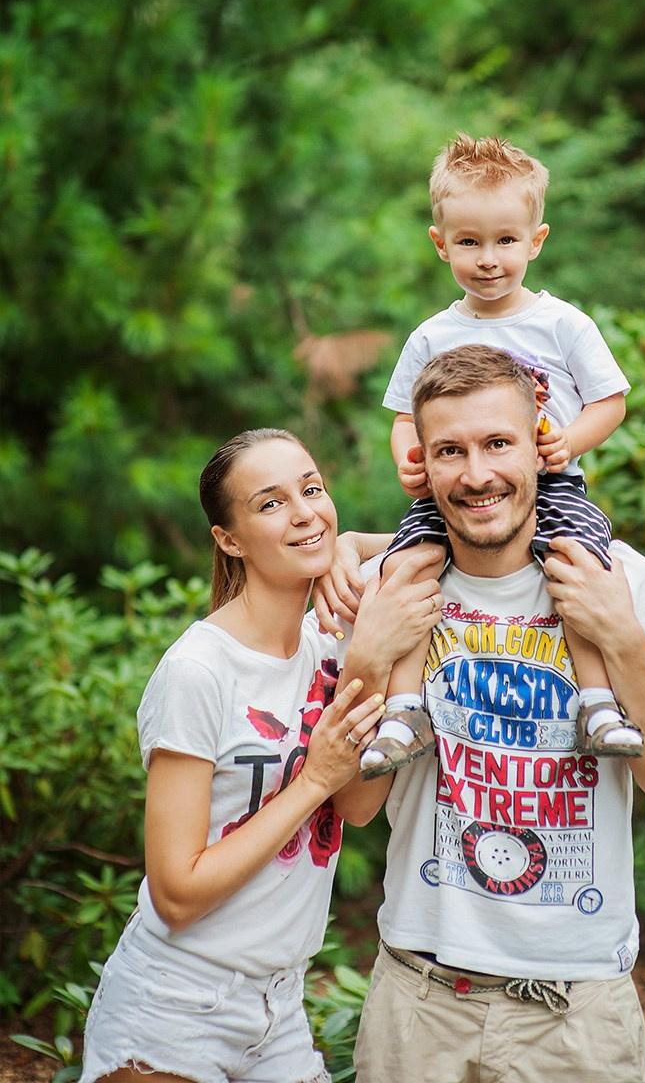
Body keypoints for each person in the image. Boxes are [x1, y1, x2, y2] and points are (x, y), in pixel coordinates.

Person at [335, 345, 645, 1083]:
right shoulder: (387, 588)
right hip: (419, 998)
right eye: (450, 450)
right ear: (421, 462)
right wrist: (368, 656)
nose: (476, 475)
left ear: (540, 445)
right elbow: (355, 806)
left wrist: (622, 639)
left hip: (577, 1011)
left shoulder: (621, 580)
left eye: (498, 443)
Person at [78, 427, 444, 1083]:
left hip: (279, 1008)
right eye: (271, 503)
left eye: (312, 490)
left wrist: (352, 555)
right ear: (229, 540)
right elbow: (176, 895)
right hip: (174, 1005)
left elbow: (358, 806)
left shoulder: (331, 643)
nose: (304, 513)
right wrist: (311, 782)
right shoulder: (199, 671)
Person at [360, 133, 640, 777]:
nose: (488, 260)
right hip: (454, 492)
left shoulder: (563, 324)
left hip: (551, 485)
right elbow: (403, 416)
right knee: (406, 567)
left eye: (505, 241)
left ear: (535, 241)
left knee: (577, 566)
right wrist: (411, 458)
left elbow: (611, 401)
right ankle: (404, 710)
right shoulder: (433, 334)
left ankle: (597, 702)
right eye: (469, 243)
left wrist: (569, 441)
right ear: (441, 244)